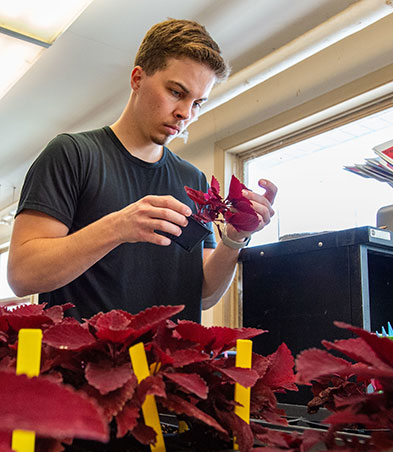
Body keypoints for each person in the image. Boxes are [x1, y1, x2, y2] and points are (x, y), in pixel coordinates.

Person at [7, 19, 277, 322]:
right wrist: (117, 228)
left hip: (169, 365)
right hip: (89, 364)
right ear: (137, 78)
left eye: (198, 103)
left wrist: (234, 238)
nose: (185, 113)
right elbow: (23, 275)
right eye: (176, 92)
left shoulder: (193, 180)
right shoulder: (73, 155)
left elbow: (202, 295)